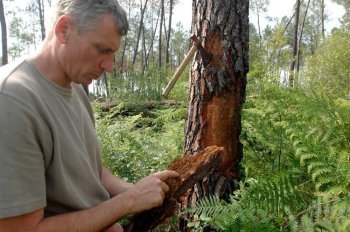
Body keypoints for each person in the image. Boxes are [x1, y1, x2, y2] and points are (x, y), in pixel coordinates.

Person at [0, 0, 178, 231]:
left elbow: (91, 171)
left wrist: (138, 192)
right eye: (102, 50)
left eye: (112, 53)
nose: (109, 66)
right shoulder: (13, 100)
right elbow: (20, 229)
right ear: (63, 30)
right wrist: (128, 202)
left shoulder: (74, 87)